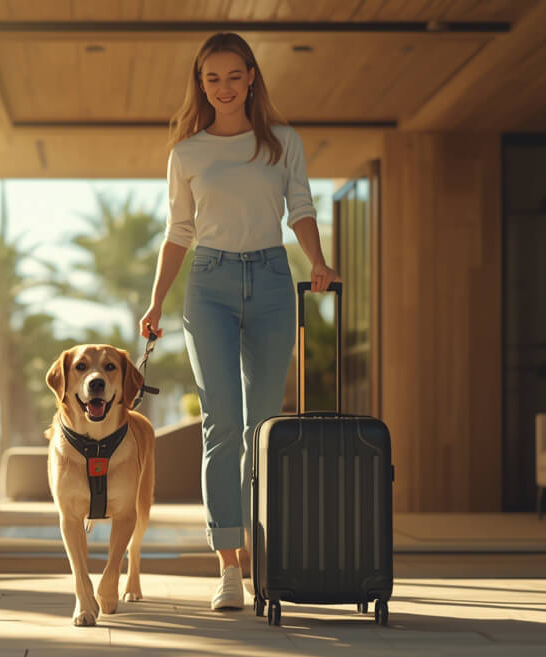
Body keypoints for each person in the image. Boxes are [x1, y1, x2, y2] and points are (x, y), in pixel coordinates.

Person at [137, 32, 340, 611]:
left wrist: (318, 261)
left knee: (264, 425)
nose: (223, 88)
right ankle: (229, 564)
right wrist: (155, 302)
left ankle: (265, 551)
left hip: (273, 280)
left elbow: (301, 208)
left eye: (233, 76)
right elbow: (178, 231)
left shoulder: (282, 143)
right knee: (222, 424)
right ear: (201, 85)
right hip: (210, 285)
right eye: (212, 79)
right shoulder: (187, 153)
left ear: (251, 77)